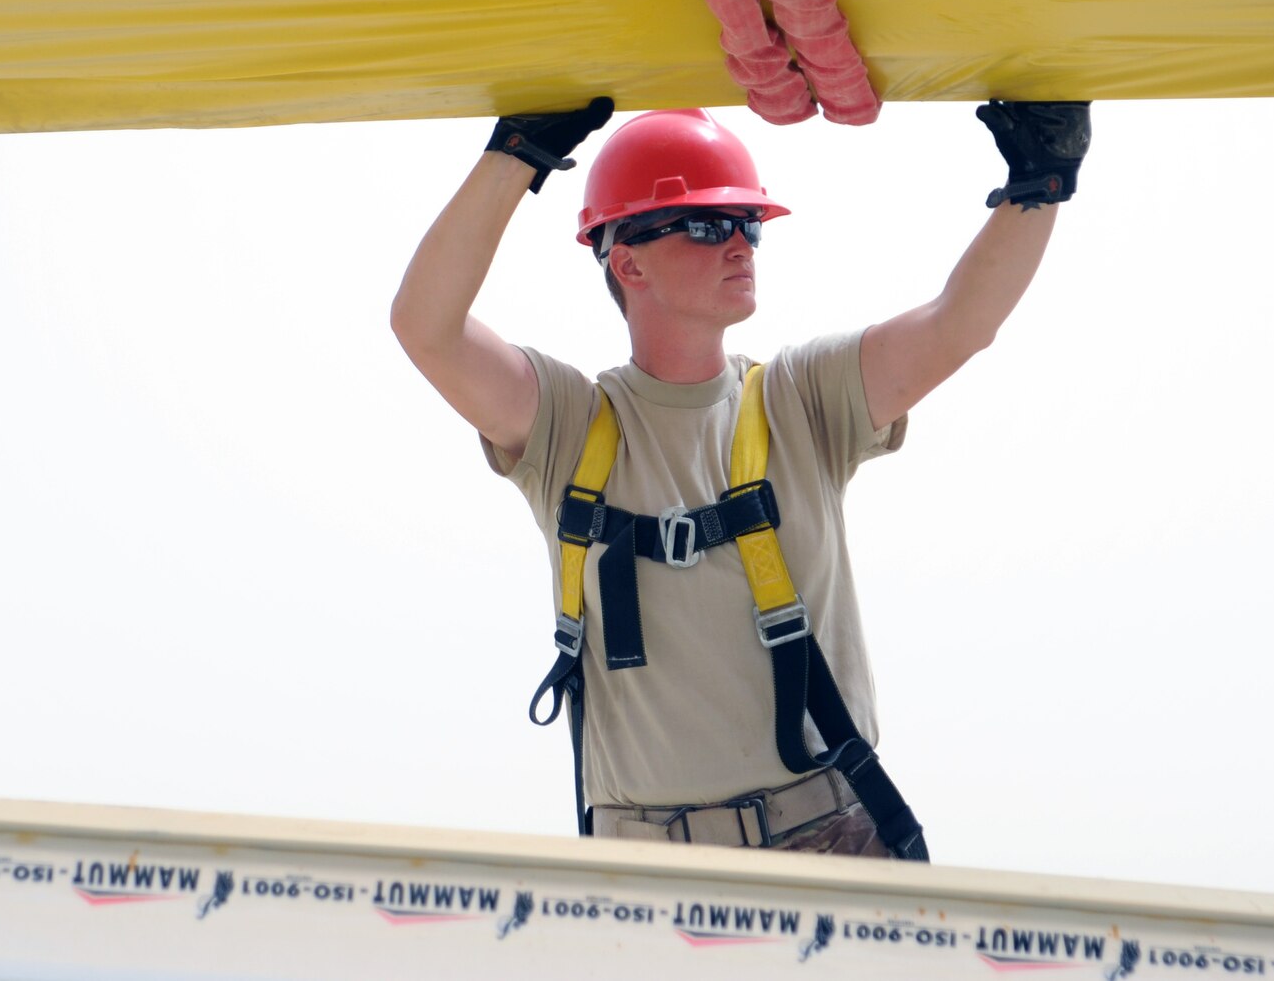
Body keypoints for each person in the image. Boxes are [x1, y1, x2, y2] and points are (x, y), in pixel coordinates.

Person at [390, 98, 1090, 860]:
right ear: (627, 261)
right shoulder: (566, 425)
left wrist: (1040, 181)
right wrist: (515, 155)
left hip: (829, 842)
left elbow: (960, 324)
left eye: (747, 222)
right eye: (706, 224)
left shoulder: (800, 398)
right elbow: (424, 325)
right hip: (648, 871)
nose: (740, 243)